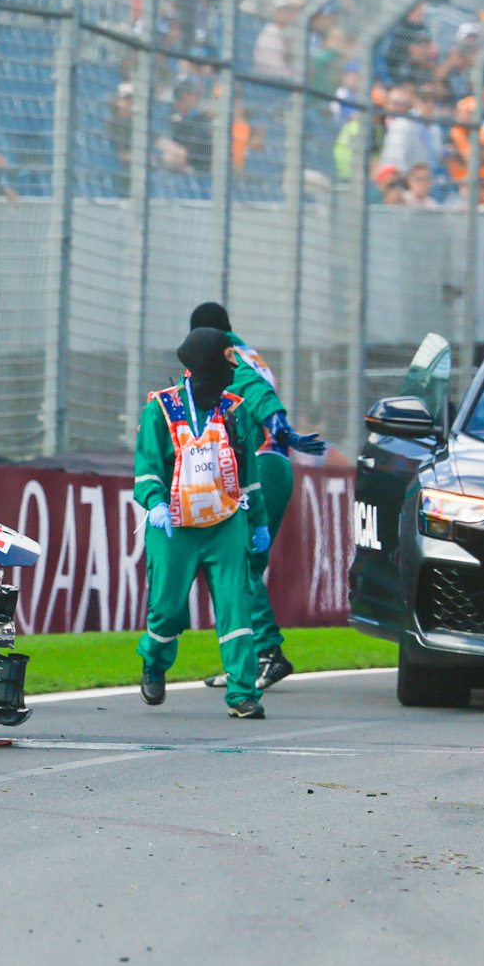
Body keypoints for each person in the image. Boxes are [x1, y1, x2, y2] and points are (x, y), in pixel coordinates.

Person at [186, 303, 327, 696]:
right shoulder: (250, 352)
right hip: (269, 463)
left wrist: (278, 420)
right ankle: (244, 661)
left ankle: (267, 653)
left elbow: (252, 388)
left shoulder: (224, 354)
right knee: (238, 564)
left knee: (235, 562)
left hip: (255, 467)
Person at [134, 327, 268, 717]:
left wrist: (257, 521)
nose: (234, 366)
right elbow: (147, 468)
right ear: (208, 360)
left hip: (226, 520)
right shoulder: (159, 409)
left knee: (235, 605)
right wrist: (154, 504)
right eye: (228, 357)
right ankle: (154, 660)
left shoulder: (235, 409)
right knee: (167, 607)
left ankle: (243, 693)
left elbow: (249, 471)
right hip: (174, 524)